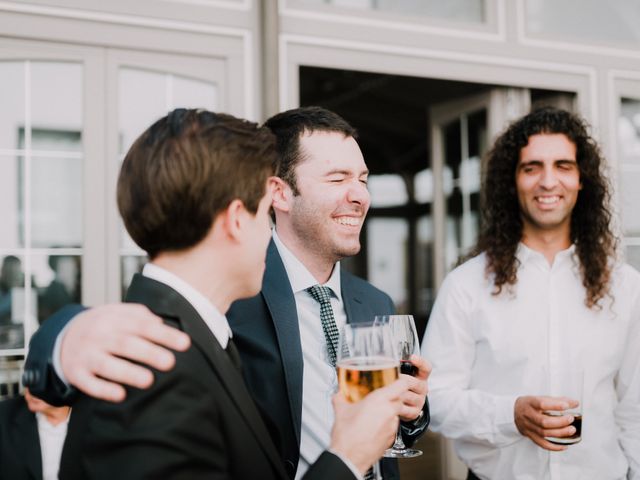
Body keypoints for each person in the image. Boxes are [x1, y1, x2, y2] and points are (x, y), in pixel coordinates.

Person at [23, 106, 431, 479]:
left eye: (362, 179)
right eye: (338, 178)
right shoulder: (174, 342)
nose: (360, 195)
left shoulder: (369, 302)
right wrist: (60, 341)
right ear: (255, 209)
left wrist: (405, 415)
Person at [422, 107, 640, 480]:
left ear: (581, 179)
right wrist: (510, 415)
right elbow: (433, 399)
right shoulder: (466, 284)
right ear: (513, 180)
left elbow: (636, 408)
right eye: (532, 167)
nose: (548, 181)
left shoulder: (626, 285)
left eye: (563, 166)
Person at [0, 388, 71, 480]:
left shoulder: (92, 416)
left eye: (45, 377)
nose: (33, 387)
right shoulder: (4, 417)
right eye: (30, 374)